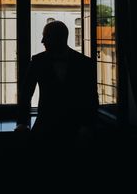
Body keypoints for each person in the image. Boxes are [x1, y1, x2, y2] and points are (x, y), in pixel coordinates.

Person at [15, 20, 99, 151]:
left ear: (59, 38)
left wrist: (87, 125)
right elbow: (25, 94)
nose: (42, 41)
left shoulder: (84, 63)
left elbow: (91, 97)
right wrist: (22, 122)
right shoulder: (38, 61)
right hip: (46, 127)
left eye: (46, 36)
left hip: (73, 129)